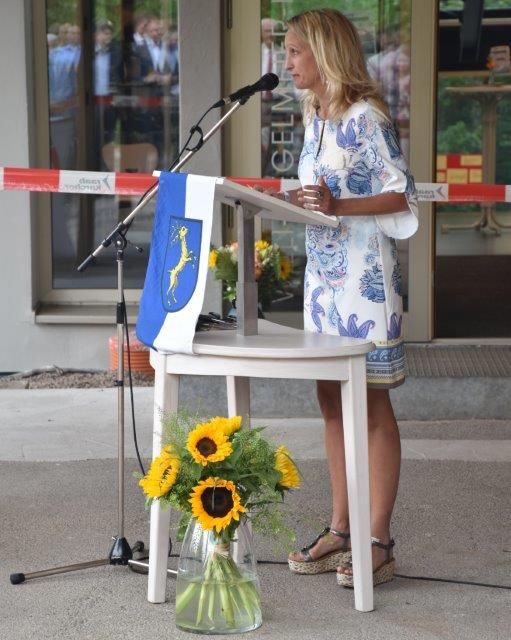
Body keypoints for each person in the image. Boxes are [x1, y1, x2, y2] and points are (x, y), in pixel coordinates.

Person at [264, 9, 418, 587]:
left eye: (295, 51)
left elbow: (400, 196)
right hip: (324, 282)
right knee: (330, 400)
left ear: (325, 54)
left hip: (364, 282)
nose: (287, 62)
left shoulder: (367, 118)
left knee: (372, 406)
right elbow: (320, 193)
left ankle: (378, 540)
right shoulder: (315, 116)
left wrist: (339, 207)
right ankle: (341, 528)